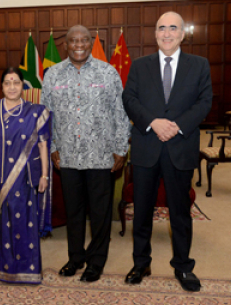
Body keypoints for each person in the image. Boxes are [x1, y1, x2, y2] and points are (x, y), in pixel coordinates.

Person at [122, 12, 212, 292]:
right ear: (155, 34)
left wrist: (176, 126)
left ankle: (184, 267)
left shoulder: (199, 65)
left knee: (180, 212)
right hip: (147, 147)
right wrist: (153, 122)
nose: (167, 32)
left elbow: (204, 101)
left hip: (180, 147)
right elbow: (129, 98)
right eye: (162, 28)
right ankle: (140, 263)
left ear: (182, 34)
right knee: (142, 210)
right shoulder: (139, 66)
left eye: (173, 28)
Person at [41, 25, 130, 282]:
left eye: (84, 40)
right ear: (65, 45)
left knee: (101, 212)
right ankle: (75, 257)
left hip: (101, 155)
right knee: (74, 211)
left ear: (91, 43)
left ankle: (96, 261)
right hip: (66, 155)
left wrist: (120, 148)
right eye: (73, 40)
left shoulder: (108, 72)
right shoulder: (52, 75)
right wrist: (52, 147)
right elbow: (46, 115)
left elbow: (120, 112)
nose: (78, 44)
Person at [0, 67, 52, 284]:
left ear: (23, 86)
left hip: (27, 177)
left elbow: (43, 145)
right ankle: (6, 270)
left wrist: (45, 175)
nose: (12, 87)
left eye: (16, 82)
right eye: (7, 83)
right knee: (3, 224)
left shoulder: (36, 112)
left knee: (26, 222)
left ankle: (29, 270)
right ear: (1, 87)